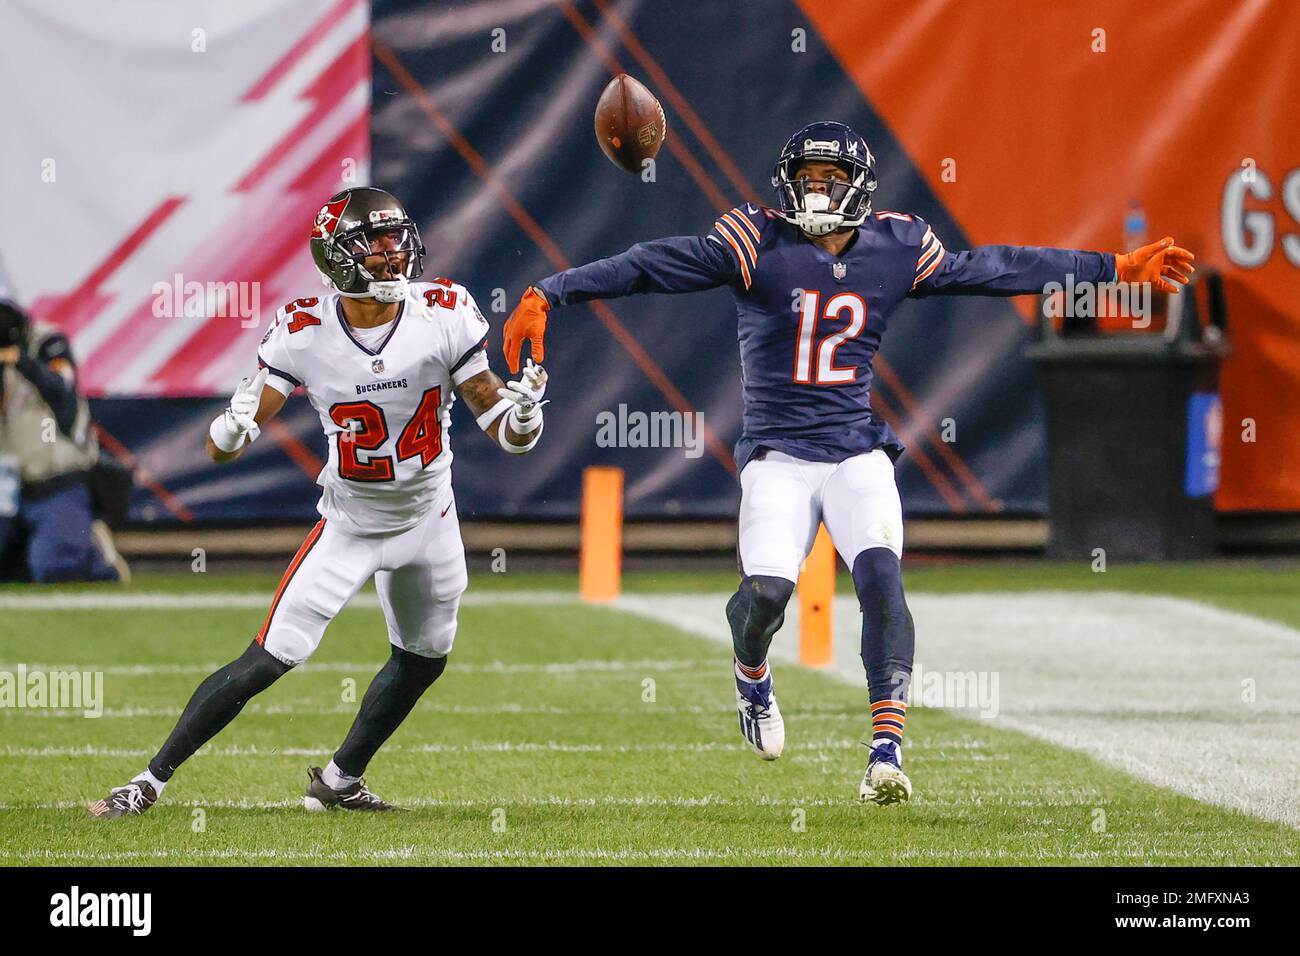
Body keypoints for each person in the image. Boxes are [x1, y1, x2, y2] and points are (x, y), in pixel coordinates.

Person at [502, 121, 1195, 805]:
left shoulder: (897, 246)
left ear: (859, 186)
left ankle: (886, 753)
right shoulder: (756, 241)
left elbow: (996, 267)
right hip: (777, 455)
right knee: (766, 596)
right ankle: (751, 674)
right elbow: (651, 263)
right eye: (805, 180)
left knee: (882, 581)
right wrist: (551, 291)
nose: (814, 192)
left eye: (829, 181)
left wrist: (1110, 270)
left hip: (856, 450)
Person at [90, 187, 550, 817]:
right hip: (352, 524)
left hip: (431, 516)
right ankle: (148, 781)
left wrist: (521, 420)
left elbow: (498, 422)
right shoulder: (304, 331)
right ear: (338, 258)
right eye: (376, 242)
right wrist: (230, 432)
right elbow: (228, 443)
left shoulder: (444, 310)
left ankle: (339, 780)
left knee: (425, 659)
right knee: (267, 660)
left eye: (397, 237)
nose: (394, 253)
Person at [0, 298, 128, 583]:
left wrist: (20, 360)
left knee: (57, 570)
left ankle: (95, 553)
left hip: (57, 481)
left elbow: (62, 390)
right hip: (7, 488)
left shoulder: (47, 342)